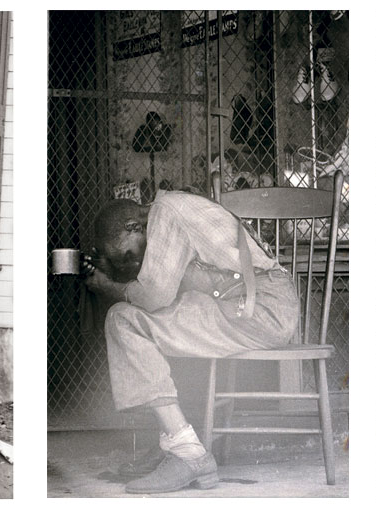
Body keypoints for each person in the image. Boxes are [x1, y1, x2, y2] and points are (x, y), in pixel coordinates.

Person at [83, 192, 300, 494]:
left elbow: (153, 296)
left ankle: (187, 452)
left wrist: (108, 287)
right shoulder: (171, 208)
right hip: (253, 305)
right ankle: (172, 440)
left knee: (124, 319)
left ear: (134, 226)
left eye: (126, 253)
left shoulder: (166, 213)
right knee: (153, 321)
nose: (131, 260)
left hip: (261, 308)